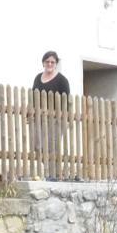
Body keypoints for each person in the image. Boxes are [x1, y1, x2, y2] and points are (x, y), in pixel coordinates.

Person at [31, 50, 71, 180]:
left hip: (55, 120)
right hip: (38, 119)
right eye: (47, 61)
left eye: (52, 62)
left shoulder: (62, 80)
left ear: (56, 63)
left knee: (51, 147)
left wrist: (66, 118)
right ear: (43, 63)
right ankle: (42, 172)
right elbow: (33, 97)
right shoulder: (38, 78)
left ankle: (51, 175)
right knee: (37, 146)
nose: (49, 64)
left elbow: (67, 101)